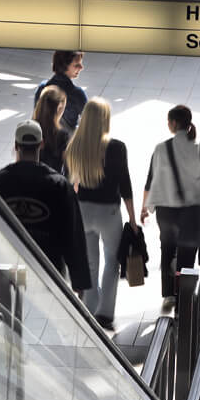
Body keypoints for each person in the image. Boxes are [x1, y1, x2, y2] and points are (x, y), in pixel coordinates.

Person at [0, 119, 91, 295]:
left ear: (16, 145)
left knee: (8, 309)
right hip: (49, 269)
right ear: (41, 145)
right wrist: (79, 280)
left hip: (9, 265)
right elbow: (73, 234)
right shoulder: (59, 185)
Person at [140, 104, 200, 310]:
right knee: (187, 257)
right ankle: (184, 297)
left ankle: (168, 295)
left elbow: (150, 181)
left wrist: (144, 209)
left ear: (173, 124)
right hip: (192, 213)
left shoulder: (161, 149)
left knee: (167, 251)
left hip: (166, 212)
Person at [64, 98, 137, 331]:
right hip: (109, 212)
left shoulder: (75, 146)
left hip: (83, 210)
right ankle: (105, 314)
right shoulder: (117, 147)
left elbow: (68, 184)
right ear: (105, 119)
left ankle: (90, 309)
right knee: (112, 263)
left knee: (91, 263)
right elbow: (125, 185)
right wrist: (132, 218)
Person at [34, 50, 87, 132]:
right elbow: (90, 123)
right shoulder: (77, 94)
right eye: (77, 65)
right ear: (64, 66)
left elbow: (36, 118)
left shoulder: (42, 88)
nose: (81, 67)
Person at [32, 84, 70, 174]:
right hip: (53, 180)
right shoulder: (62, 135)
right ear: (59, 108)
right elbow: (68, 167)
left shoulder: (29, 129)